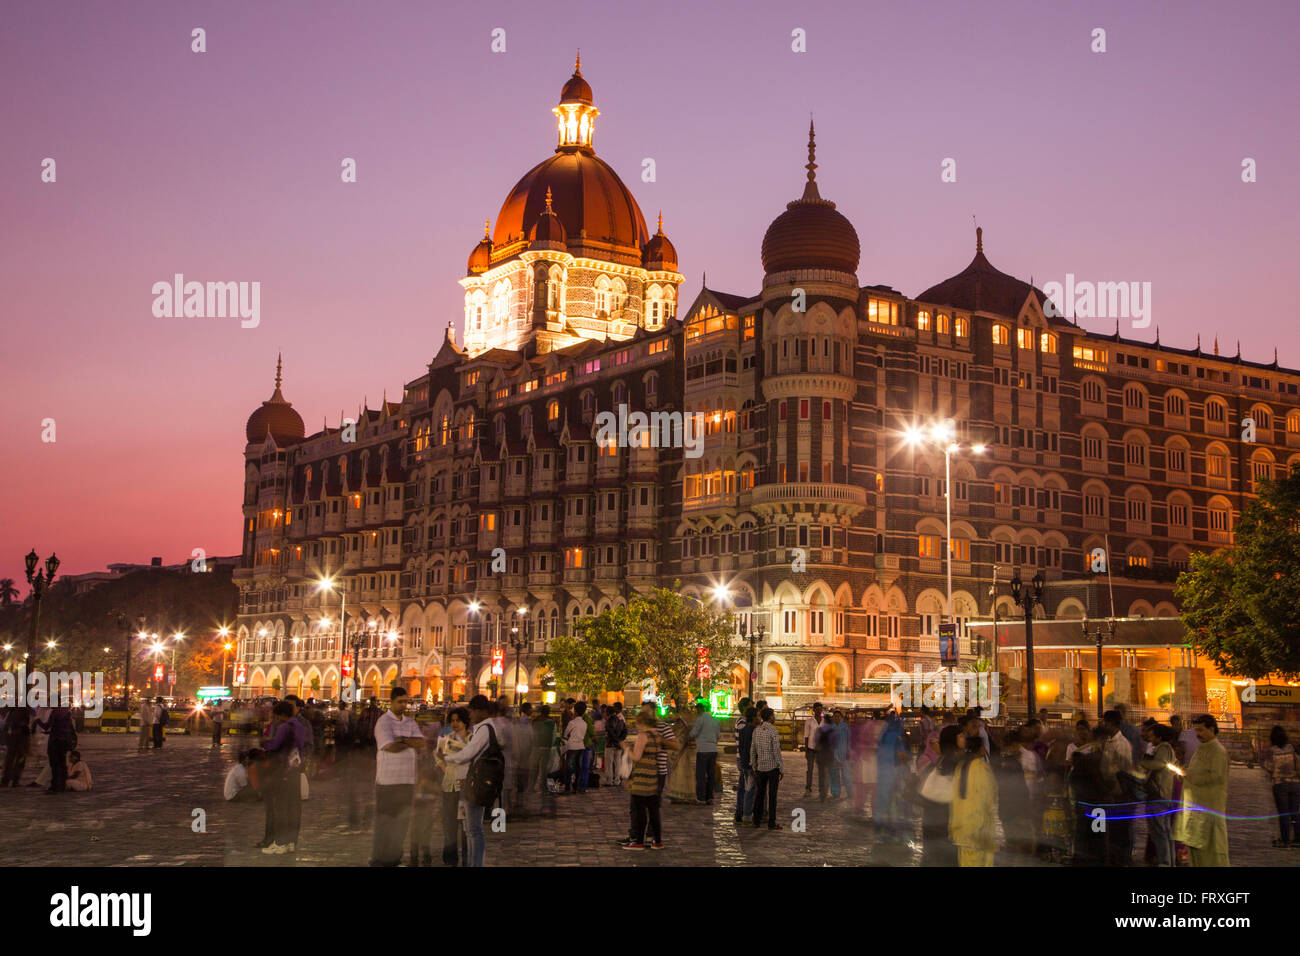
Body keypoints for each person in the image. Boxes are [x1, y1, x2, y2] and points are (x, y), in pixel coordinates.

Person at [369, 687, 426, 866]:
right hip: (387, 781)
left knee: (402, 823)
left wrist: (401, 739)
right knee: (385, 822)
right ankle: (379, 859)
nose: (403, 705)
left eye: (405, 701)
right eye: (400, 701)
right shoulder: (383, 722)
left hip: (407, 780)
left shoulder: (410, 722)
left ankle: (394, 858)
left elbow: (421, 743)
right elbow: (389, 746)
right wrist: (409, 742)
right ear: (391, 702)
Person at [441, 695, 499, 868]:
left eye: (472, 711)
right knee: (470, 829)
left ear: (481, 711)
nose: (471, 715)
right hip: (469, 782)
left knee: (474, 830)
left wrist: (449, 759)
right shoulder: (481, 729)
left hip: (476, 783)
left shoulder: (484, 729)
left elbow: (469, 754)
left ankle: (475, 863)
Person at [1175, 715, 1229, 866]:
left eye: (1201, 730)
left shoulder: (1217, 751)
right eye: (1196, 730)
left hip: (1209, 810)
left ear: (1211, 729)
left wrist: (1189, 776)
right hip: (1196, 810)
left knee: (1211, 855)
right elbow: (1195, 772)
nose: (1198, 734)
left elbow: (1215, 776)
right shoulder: (1202, 748)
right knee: (1196, 854)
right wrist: (1184, 774)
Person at [950, 733, 998, 866]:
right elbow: (990, 796)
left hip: (962, 824)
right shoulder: (981, 767)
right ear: (981, 749)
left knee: (966, 860)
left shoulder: (961, 766)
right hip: (979, 824)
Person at [918, 725, 963, 866]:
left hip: (934, 816)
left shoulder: (943, 760)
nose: (964, 738)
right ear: (952, 739)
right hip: (941, 816)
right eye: (961, 736)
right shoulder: (951, 761)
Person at [622, 711, 666, 850]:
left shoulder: (643, 735)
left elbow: (636, 757)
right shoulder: (656, 735)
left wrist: (626, 748)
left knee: (639, 810)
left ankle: (639, 841)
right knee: (653, 810)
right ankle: (657, 840)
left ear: (642, 723)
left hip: (641, 777)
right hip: (653, 774)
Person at [260, 702, 298, 854]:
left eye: (276, 715)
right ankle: (289, 842)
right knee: (289, 808)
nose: (275, 718)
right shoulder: (296, 726)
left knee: (280, 807)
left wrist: (265, 743)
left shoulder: (284, 727)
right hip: (292, 769)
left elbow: (274, 745)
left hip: (282, 769)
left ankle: (280, 842)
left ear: (282, 714)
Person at [435, 706, 471, 865]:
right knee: (449, 824)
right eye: (453, 721)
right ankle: (450, 858)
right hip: (449, 787)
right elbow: (437, 756)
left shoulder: (472, 740)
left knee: (465, 826)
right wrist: (445, 768)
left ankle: (467, 858)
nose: (455, 723)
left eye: (458, 720)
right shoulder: (446, 738)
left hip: (465, 788)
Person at [1139, 724, 1178, 866]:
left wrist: (1143, 763)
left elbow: (1159, 764)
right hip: (1163, 796)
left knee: (1159, 832)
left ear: (1159, 737)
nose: (1149, 739)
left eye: (1151, 736)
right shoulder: (1166, 748)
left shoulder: (1163, 748)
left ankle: (1165, 862)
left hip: (1158, 795)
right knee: (1165, 832)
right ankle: (1169, 861)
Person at [1263, 725, 1300, 848]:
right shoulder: (1292, 748)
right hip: (1295, 783)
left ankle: (1285, 840)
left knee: (1283, 813)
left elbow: (1268, 767)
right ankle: (1297, 838)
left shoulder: (1272, 751)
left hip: (1280, 784)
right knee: (1295, 812)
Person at [750, 706, 783, 829]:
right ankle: (771, 822)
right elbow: (776, 751)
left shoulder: (756, 731)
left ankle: (756, 820)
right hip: (772, 767)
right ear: (770, 717)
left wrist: (754, 765)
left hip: (761, 767)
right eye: (773, 716)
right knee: (772, 796)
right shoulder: (773, 731)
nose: (774, 718)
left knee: (760, 794)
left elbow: (752, 750)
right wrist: (781, 767)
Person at [34, 705, 76, 793]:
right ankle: (62, 785)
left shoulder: (55, 713)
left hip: (55, 741)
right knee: (62, 764)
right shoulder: (67, 713)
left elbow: (46, 726)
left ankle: (55, 786)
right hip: (64, 741)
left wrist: (37, 720)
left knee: (54, 764)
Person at [689, 698, 722, 804]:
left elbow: (694, 733)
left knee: (701, 775)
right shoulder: (715, 720)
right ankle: (710, 797)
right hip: (713, 750)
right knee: (711, 774)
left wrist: (687, 737)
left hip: (703, 750)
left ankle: (701, 798)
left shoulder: (700, 719)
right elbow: (718, 736)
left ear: (698, 710)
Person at [666, 704, 698, 804]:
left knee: (681, 776)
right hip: (682, 756)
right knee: (681, 776)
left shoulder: (683, 728)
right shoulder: (683, 727)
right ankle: (679, 795)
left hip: (683, 756)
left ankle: (680, 795)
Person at [734, 704, 757, 824]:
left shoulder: (745, 729)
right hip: (749, 764)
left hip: (745, 762)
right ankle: (746, 814)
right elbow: (748, 748)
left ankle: (743, 812)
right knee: (748, 788)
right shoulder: (751, 730)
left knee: (746, 787)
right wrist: (751, 764)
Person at [561, 700, 590, 794]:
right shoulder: (585, 724)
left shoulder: (572, 723)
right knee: (578, 767)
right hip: (581, 746)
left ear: (575, 711)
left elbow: (565, 734)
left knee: (569, 768)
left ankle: (567, 787)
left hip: (572, 746)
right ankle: (576, 786)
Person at [2, 707, 32, 786]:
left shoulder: (13, 709)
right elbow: (22, 722)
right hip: (20, 736)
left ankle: (6, 779)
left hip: (13, 735)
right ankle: (14, 780)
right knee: (20, 757)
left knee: (10, 758)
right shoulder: (23, 708)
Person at [603, 702, 628, 787]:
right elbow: (625, 731)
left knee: (609, 764)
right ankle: (617, 780)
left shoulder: (609, 720)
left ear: (608, 713)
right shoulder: (620, 720)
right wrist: (620, 740)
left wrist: (616, 739)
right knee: (618, 763)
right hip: (618, 745)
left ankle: (609, 780)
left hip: (610, 744)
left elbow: (610, 732)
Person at [802, 703, 824, 794]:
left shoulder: (825, 721)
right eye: (817, 709)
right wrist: (806, 750)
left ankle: (821, 788)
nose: (819, 710)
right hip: (811, 749)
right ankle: (808, 787)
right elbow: (806, 736)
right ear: (814, 710)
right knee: (810, 769)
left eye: (820, 709)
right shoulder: (809, 721)